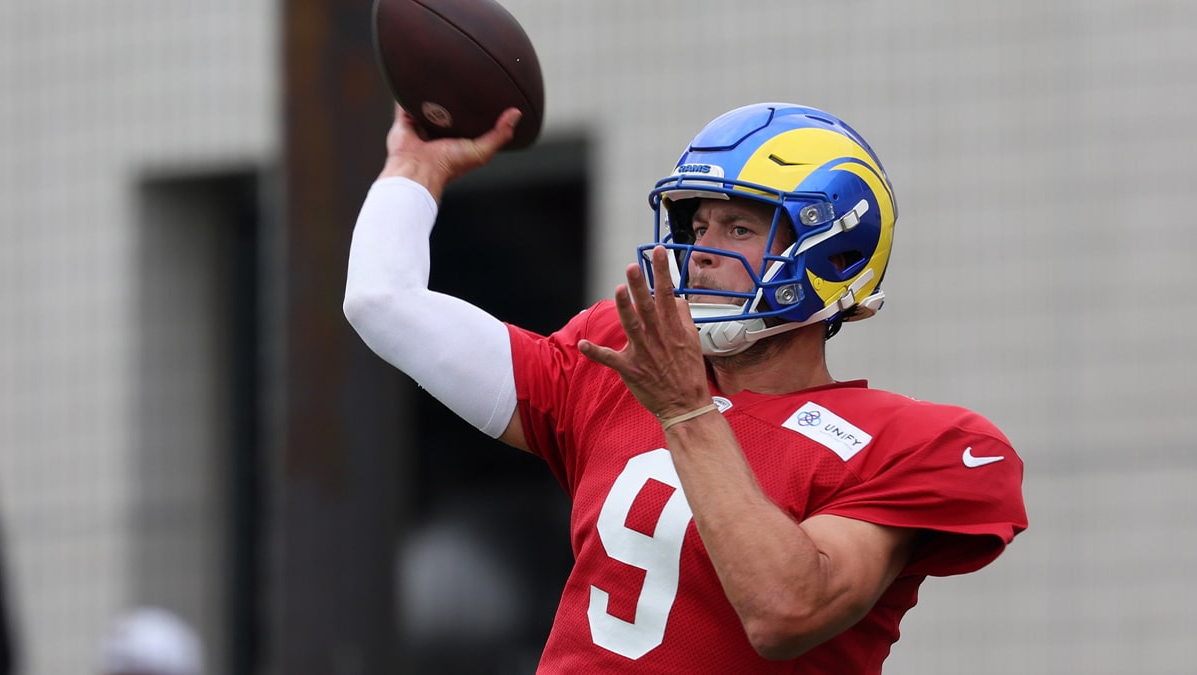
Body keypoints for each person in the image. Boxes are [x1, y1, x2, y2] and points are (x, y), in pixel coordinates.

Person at [344, 101, 1027, 673]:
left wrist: (686, 410)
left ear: (836, 249)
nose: (701, 247)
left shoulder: (912, 443)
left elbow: (787, 609)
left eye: (739, 226)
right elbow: (381, 300)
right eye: (697, 224)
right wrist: (415, 167)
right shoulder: (623, 361)